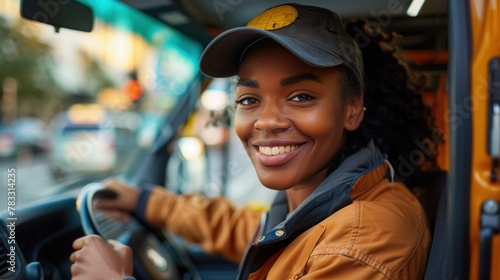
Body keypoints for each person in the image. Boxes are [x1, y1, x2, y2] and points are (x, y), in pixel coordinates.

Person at [70, 3, 440, 279]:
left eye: (301, 97)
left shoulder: (361, 244)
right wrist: (148, 201)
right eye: (249, 100)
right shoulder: (322, 201)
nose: (267, 121)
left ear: (352, 110)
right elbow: (247, 232)